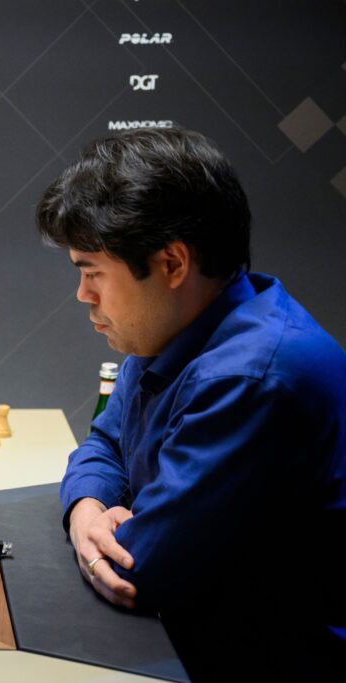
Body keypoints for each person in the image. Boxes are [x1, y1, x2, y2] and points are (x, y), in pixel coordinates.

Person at [36, 128, 345, 678]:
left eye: (92, 272)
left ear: (173, 264)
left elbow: (141, 567)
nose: (84, 295)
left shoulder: (252, 376)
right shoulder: (179, 325)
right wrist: (87, 510)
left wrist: (112, 535)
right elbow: (105, 443)